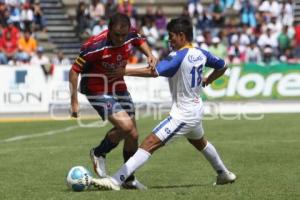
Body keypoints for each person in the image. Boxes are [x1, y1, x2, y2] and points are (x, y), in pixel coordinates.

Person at [91, 17, 236, 191]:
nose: (169, 40)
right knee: (201, 143)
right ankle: (224, 174)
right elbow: (223, 65)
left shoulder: (178, 56)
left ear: (182, 36)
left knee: (149, 143)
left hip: (184, 114)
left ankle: (115, 180)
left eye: (172, 36)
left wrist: (125, 71)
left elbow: (154, 71)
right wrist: (208, 80)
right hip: (196, 109)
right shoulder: (201, 53)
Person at [69, 12, 157, 190]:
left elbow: (138, 39)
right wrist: (74, 102)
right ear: (109, 30)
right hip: (96, 88)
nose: (120, 39)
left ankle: (129, 179)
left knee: (133, 135)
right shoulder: (94, 46)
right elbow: (74, 71)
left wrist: (149, 54)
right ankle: (99, 152)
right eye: (117, 35)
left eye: (123, 35)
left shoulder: (129, 34)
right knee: (126, 127)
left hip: (118, 85)